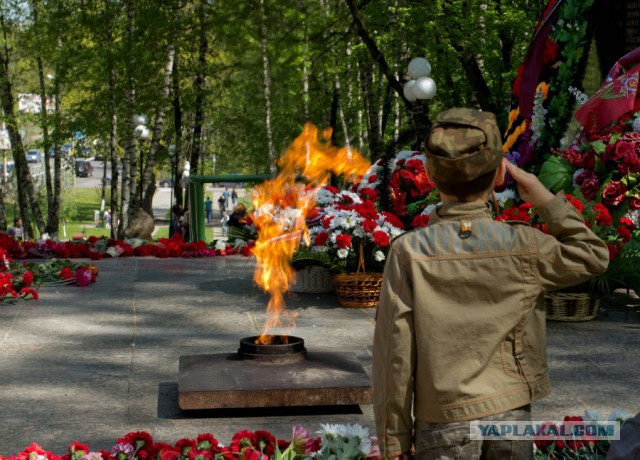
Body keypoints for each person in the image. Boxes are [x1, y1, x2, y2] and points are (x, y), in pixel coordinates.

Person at [373, 108, 610, 460]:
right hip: (510, 412)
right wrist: (543, 198)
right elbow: (592, 254)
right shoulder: (525, 246)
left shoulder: (408, 253)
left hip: (442, 420)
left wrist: (394, 439)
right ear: (502, 173)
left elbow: (394, 353)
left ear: (431, 174)